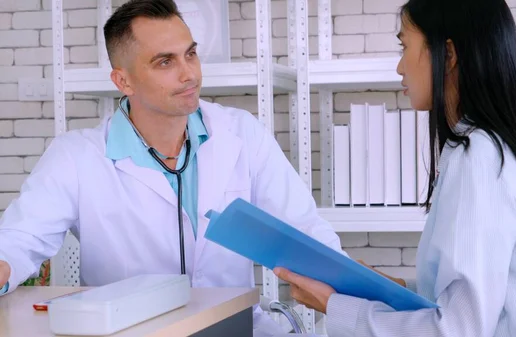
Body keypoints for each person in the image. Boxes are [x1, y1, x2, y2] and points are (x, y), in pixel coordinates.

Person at [0, 0, 344, 336]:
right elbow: (20, 238)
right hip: (130, 331)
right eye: (165, 62)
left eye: (190, 54)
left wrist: (360, 294)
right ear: (124, 81)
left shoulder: (242, 133)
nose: (189, 73)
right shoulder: (76, 156)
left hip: (237, 328)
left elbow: (304, 227)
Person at [274, 0, 516, 336]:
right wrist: (394, 287)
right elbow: (481, 296)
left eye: (405, 47)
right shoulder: (499, 147)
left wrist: (334, 306)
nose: (400, 67)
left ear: (448, 55)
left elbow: (458, 329)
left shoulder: (480, 158)